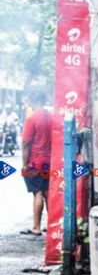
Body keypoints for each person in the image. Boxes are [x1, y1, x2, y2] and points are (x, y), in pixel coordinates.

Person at [20, 91, 53, 236]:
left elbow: (26, 143)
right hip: (49, 161)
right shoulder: (51, 117)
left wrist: (25, 164)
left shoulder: (31, 119)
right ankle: (52, 226)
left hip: (35, 163)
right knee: (47, 193)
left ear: (32, 101)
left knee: (38, 193)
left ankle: (36, 226)